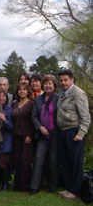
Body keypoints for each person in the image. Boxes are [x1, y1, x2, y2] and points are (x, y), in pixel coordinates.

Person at [57, 69, 91, 199]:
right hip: (63, 131)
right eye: (61, 80)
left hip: (74, 131)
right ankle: (68, 187)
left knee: (75, 163)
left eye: (66, 80)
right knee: (66, 162)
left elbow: (85, 117)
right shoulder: (62, 93)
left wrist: (81, 133)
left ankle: (75, 190)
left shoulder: (78, 94)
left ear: (72, 79)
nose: (63, 82)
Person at [30, 75, 59, 195]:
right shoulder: (38, 99)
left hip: (55, 134)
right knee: (38, 159)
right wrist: (40, 127)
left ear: (54, 86)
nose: (47, 86)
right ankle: (34, 186)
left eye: (50, 84)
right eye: (45, 83)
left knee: (53, 160)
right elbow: (33, 116)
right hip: (42, 134)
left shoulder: (58, 98)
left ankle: (53, 185)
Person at [11, 83, 34, 191]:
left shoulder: (31, 104)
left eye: (24, 89)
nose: (22, 91)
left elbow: (32, 120)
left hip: (27, 135)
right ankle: (17, 185)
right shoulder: (14, 104)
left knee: (25, 160)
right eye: (20, 89)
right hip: (16, 135)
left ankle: (26, 185)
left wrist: (30, 134)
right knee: (17, 159)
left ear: (28, 91)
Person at [0, 90, 14, 191]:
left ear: (6, 98)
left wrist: (4, 119)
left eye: (3, 96)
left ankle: (6, 183)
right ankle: (0, 183)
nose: (1, 98)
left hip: (6, 139)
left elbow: (11, 127)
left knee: (3, 162)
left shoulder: (9, 109)